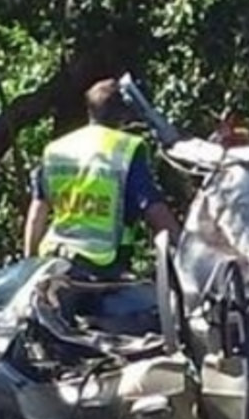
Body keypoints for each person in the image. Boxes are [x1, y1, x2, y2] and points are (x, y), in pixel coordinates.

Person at [23, 78, 181, 281]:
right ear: (124, 116)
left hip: (53, 262)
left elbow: (37, 214)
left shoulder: (56, 149)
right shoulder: (125, 150)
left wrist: (29, 267)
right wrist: (184, 248)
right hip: (103, 267)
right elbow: (153, 208)